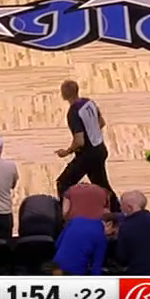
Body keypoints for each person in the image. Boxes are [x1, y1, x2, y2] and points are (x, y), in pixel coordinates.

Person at [54, 80, 118, 210]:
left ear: (64, 94)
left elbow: (80, 141)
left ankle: (66, 214)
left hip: (87, 155)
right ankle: (117, 209)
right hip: (100, 149)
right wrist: (92, 132)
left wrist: (66, 152)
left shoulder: (73, 112)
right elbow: (101, 123)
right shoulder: (89, 102)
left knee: (63, 183)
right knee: (102, 185)